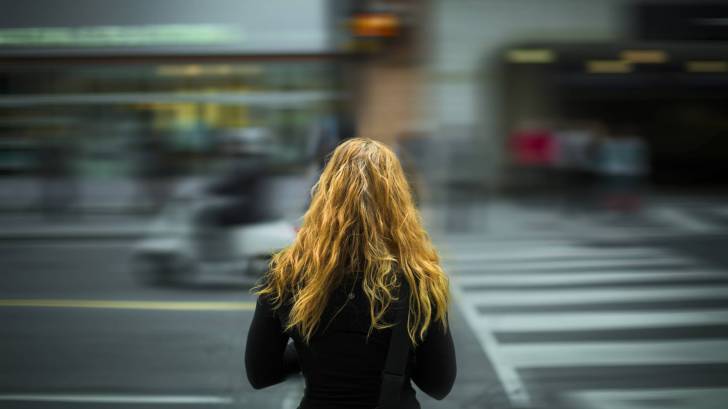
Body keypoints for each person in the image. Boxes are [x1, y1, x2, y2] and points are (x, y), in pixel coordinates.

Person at [245, 138, 456, 409]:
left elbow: (261, 373)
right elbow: (439, 383)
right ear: (397, 199)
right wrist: (398, 353)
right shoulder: (418, 278)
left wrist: (314, 352)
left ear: (325, 193)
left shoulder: (287, 271)